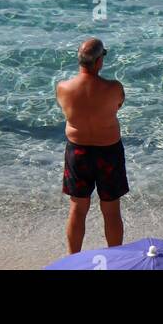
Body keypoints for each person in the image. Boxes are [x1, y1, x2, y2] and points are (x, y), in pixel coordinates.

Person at [56, 38, 128, 253]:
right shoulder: (113, 87)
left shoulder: (63, 88)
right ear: (98, 62)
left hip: (78, 152)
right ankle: (114, 258)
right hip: (108, 151)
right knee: (111, 210)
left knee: (78, 209)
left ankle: (73, 260)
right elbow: (118, 105)